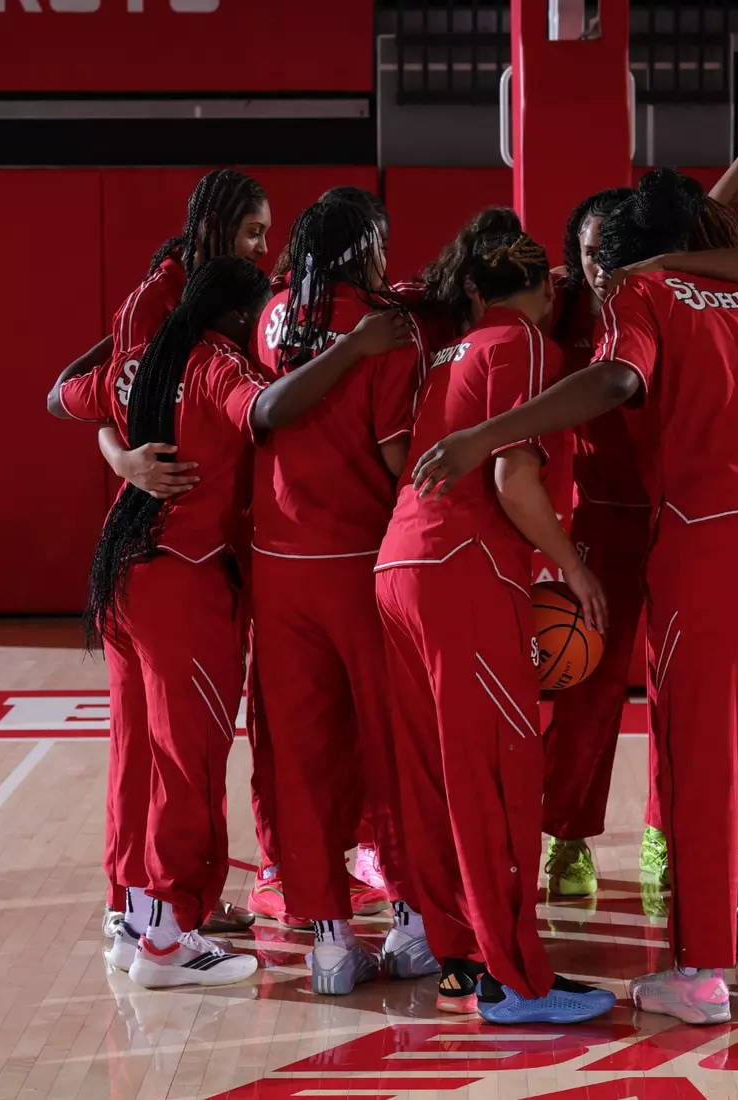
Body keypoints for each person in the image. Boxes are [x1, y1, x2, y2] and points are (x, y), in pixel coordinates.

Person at [411, 169, 738, 1024]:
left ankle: (705, 971)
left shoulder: (646, 291)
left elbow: (613, 384)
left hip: (715, 536)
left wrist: (487, 432)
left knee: (702, 754)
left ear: (635, 250)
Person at [46, 257, 405, 988]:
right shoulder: (213, 363)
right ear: (240, 318)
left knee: (137, 758)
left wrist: (119, 430)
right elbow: (267, 410)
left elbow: (61, 398)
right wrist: (357, 348)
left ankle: (137, 917)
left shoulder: (138, 360)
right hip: (184, 580)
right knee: (188, 766)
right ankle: (170, 941)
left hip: (123, 574)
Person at [375, 229, 617, 1026]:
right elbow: (515, 479)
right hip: (466, 572)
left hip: (399, 563)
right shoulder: (531, 346)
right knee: (498, 778)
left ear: (474, 291)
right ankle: (515, 980)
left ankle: (457, 953)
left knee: (433, 775)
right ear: (543, 294)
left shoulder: (451, 350)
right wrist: (573, 567)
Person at [57, 169, 271, 946]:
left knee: (145, 745)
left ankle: (136, 902)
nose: (264, 247)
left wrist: (119, 451)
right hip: (180, 557)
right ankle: (168, 920)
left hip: (133, 558)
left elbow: (77, 393)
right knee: (181, 752)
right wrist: (124, 460)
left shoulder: (184, 317)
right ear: (213, 230)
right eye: (252, 233)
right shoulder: (178, 318)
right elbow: (102, 394)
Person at [248, 197, 435, 994]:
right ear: (369, 247)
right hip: (362, 561)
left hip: (278, 564)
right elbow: (397, 455)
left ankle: (327, 937)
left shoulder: (273, 316)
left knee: (303, 755)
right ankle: (410, 923)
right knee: (390, 748)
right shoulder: (389, 331)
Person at [538, 187, 667, 899]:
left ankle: (664, 832)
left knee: (679, 694)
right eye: (591, 253)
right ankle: (568, 836)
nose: (602, 267)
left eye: (615, 253)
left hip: (676, 518)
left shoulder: (665, 301)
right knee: (587, 690)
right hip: (601, 527)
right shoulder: (562, 308)